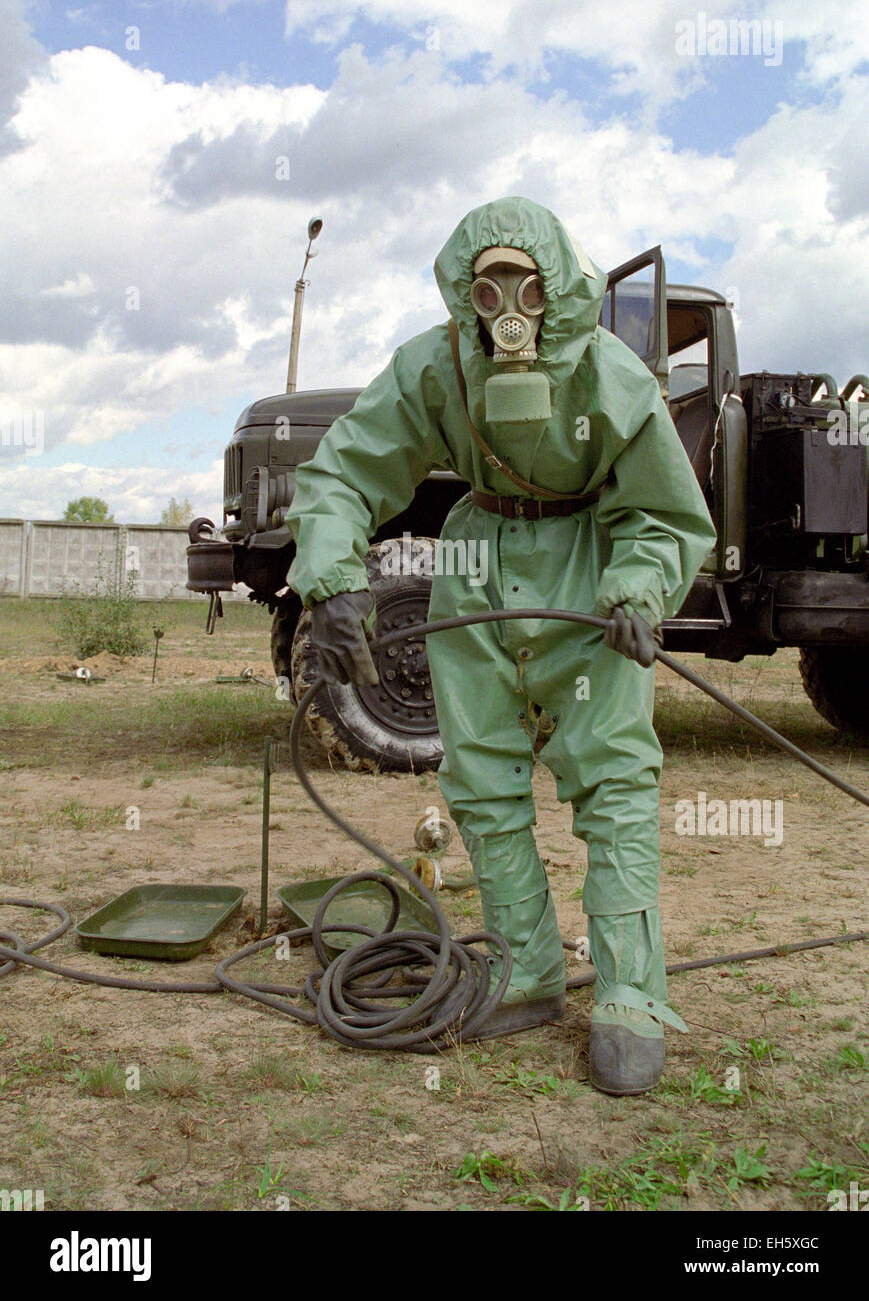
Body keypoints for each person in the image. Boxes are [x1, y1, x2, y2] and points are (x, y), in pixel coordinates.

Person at [286, 196, 717, 1094]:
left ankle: (631, 993)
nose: (507, 311)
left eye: (523, 287)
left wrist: (640, 586)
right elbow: (345, 468)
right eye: (487, 291)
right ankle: (526, 970)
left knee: (611, 782)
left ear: (554, 289)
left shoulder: (610, 377)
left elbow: (663, 512)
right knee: (481, 780)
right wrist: (329, 581)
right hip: (476, 561)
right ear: (464, 294)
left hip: (587, 574)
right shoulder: (435, 368)